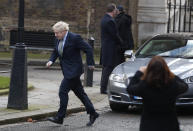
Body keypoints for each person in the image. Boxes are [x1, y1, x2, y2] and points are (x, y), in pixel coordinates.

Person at [46, 21, 99, 126]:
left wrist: (90, 63)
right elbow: (56, 51)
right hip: (67, 70)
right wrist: (51, 60)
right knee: (80, 93)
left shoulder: (75, 38)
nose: (55, 35)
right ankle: (93, 113)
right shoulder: (57, 39)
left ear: (65, 31)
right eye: (55, 33)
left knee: (62, 91)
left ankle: (60, 117)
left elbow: (88, 48)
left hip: (74, 70)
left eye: (57, 33)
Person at [127, 56, 188, 131]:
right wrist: (170, 73)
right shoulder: (173, 85)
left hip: (149, 125)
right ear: (165, 70)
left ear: (149, 70)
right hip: (170, 125)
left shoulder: (144, 86)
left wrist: (139, 73)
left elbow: (130, 88)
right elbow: (185, 86)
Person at [100, 3, 122, 94]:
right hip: (110, 48)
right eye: (115, 9)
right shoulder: (110, 21)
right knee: (108, 68)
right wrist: (121, 43)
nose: (116, 11)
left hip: (106, 47)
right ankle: (103, 88)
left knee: (106, 68)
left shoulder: (104, 19)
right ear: (113, 10)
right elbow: (114, 35)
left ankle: (103, 87)